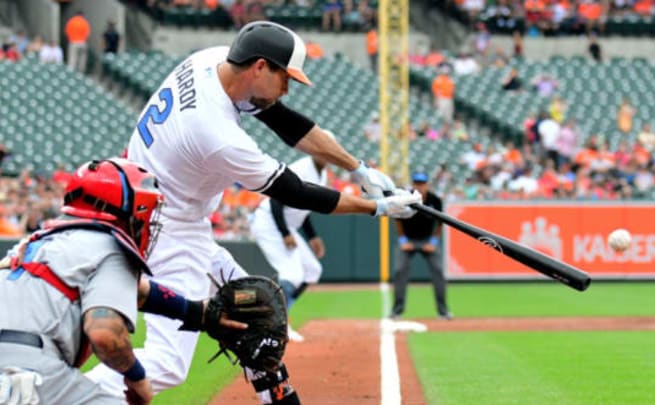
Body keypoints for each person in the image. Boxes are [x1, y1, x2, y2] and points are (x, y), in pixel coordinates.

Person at [86, 20, 420, 405]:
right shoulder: (217, 135)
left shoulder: (211, 62)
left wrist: (357, 167)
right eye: (286, 77)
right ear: (260, 66)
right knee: (169, 363)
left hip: (159, 214)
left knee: (256, 318)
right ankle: (54, 395)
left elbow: (287, 123)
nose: (288, 87)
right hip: (167, 230)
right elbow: (293, 191)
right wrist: (376, 207)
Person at [0, 159, 247, 405]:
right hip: (28, 372)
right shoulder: (111, 247)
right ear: (123, 208)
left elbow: (136, 293)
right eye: (144, 209)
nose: (148, 219)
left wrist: (195, 313)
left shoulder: (35, 243)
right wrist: (137, 378)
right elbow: (104, 333)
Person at [249, 149, 333, 342]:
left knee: (312, 270)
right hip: (270, 223)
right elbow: (275, 200)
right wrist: (285, 233)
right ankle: (276, 323)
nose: (326, 155)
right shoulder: (301, 169)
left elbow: (303, 206)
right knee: (293, 275)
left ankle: (276, 315)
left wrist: (312, 236)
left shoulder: (322, 174)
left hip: (288, 225)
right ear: (315, 152)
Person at [390, 172, 451, 320]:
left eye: (422, 183)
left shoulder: (435, 200)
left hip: (427, 240)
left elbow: (441, 222)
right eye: (417, 183)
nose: (419, 186)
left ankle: (443, 312)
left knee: (438, 272)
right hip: (409, 240)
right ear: (413, 185)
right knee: (399, 271)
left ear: (427, 184)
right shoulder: (405, 198)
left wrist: (434, 241)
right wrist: (403, 240)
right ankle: (397, 311)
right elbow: (397, 219)